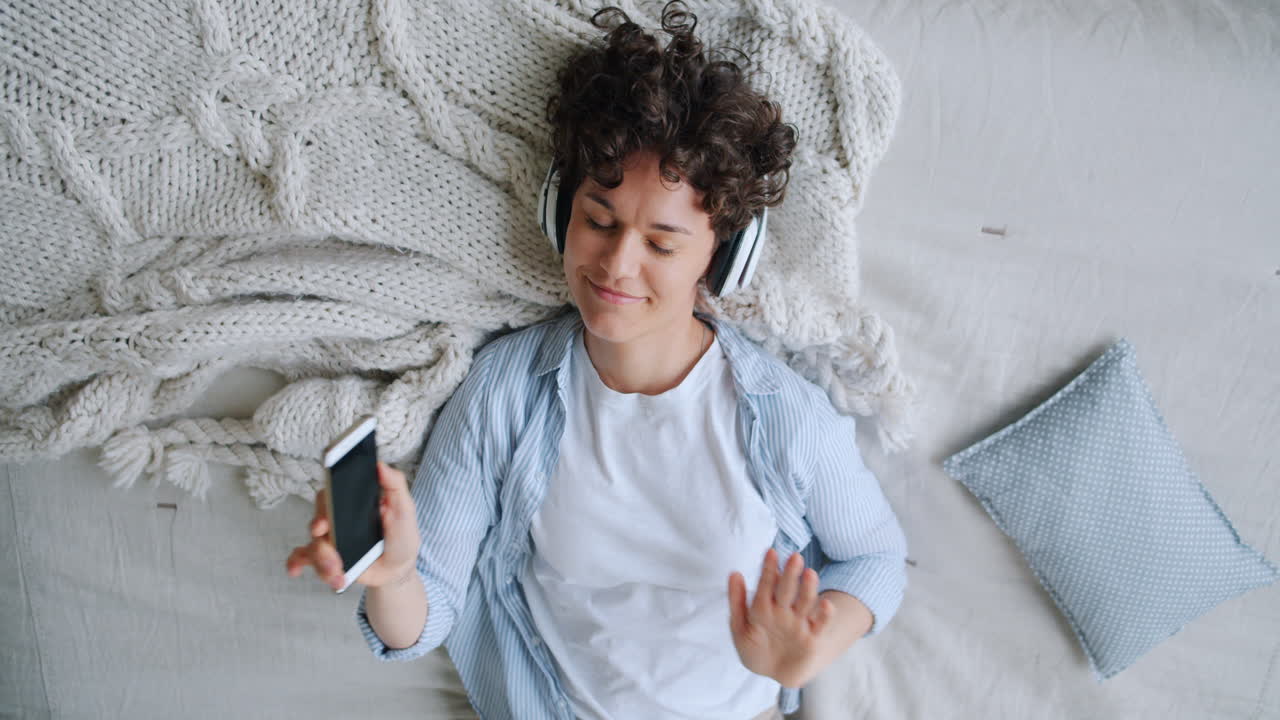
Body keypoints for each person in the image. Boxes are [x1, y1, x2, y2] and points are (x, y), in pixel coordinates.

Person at [285, 2, 908, 718]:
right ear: (561, 211)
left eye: (662, 243)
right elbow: (422, 621)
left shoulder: (786, 416)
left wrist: (814, 646)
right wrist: (393, 575)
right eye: (599, 221)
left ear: (722, 257)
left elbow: (875, 559)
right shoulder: (502, 393)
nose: (616, 264)